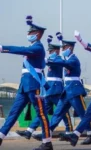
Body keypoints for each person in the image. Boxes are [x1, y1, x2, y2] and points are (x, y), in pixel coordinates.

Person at [0, 16, 53, 150]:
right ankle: (0, 136)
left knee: (41, 114)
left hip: (34, 86)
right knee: (13, 112)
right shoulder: (33, 47)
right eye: (28, 33)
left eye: (31, 33)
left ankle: (47, 142)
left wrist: (2, 48)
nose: (28, 35)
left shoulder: (38, 48)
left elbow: (20, 49)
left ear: (38, 34)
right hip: (24, 86)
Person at [17, 35, 72, 141]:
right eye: (49, 51)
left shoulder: (59, 59)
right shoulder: (52, 59)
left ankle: (69, 131)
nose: (50, 53)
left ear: (56, 51)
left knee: (63, 111)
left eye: (52, 51)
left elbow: (48, 61)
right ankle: (29, 131)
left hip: (56, 89)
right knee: (42, 111)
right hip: (49, 90)